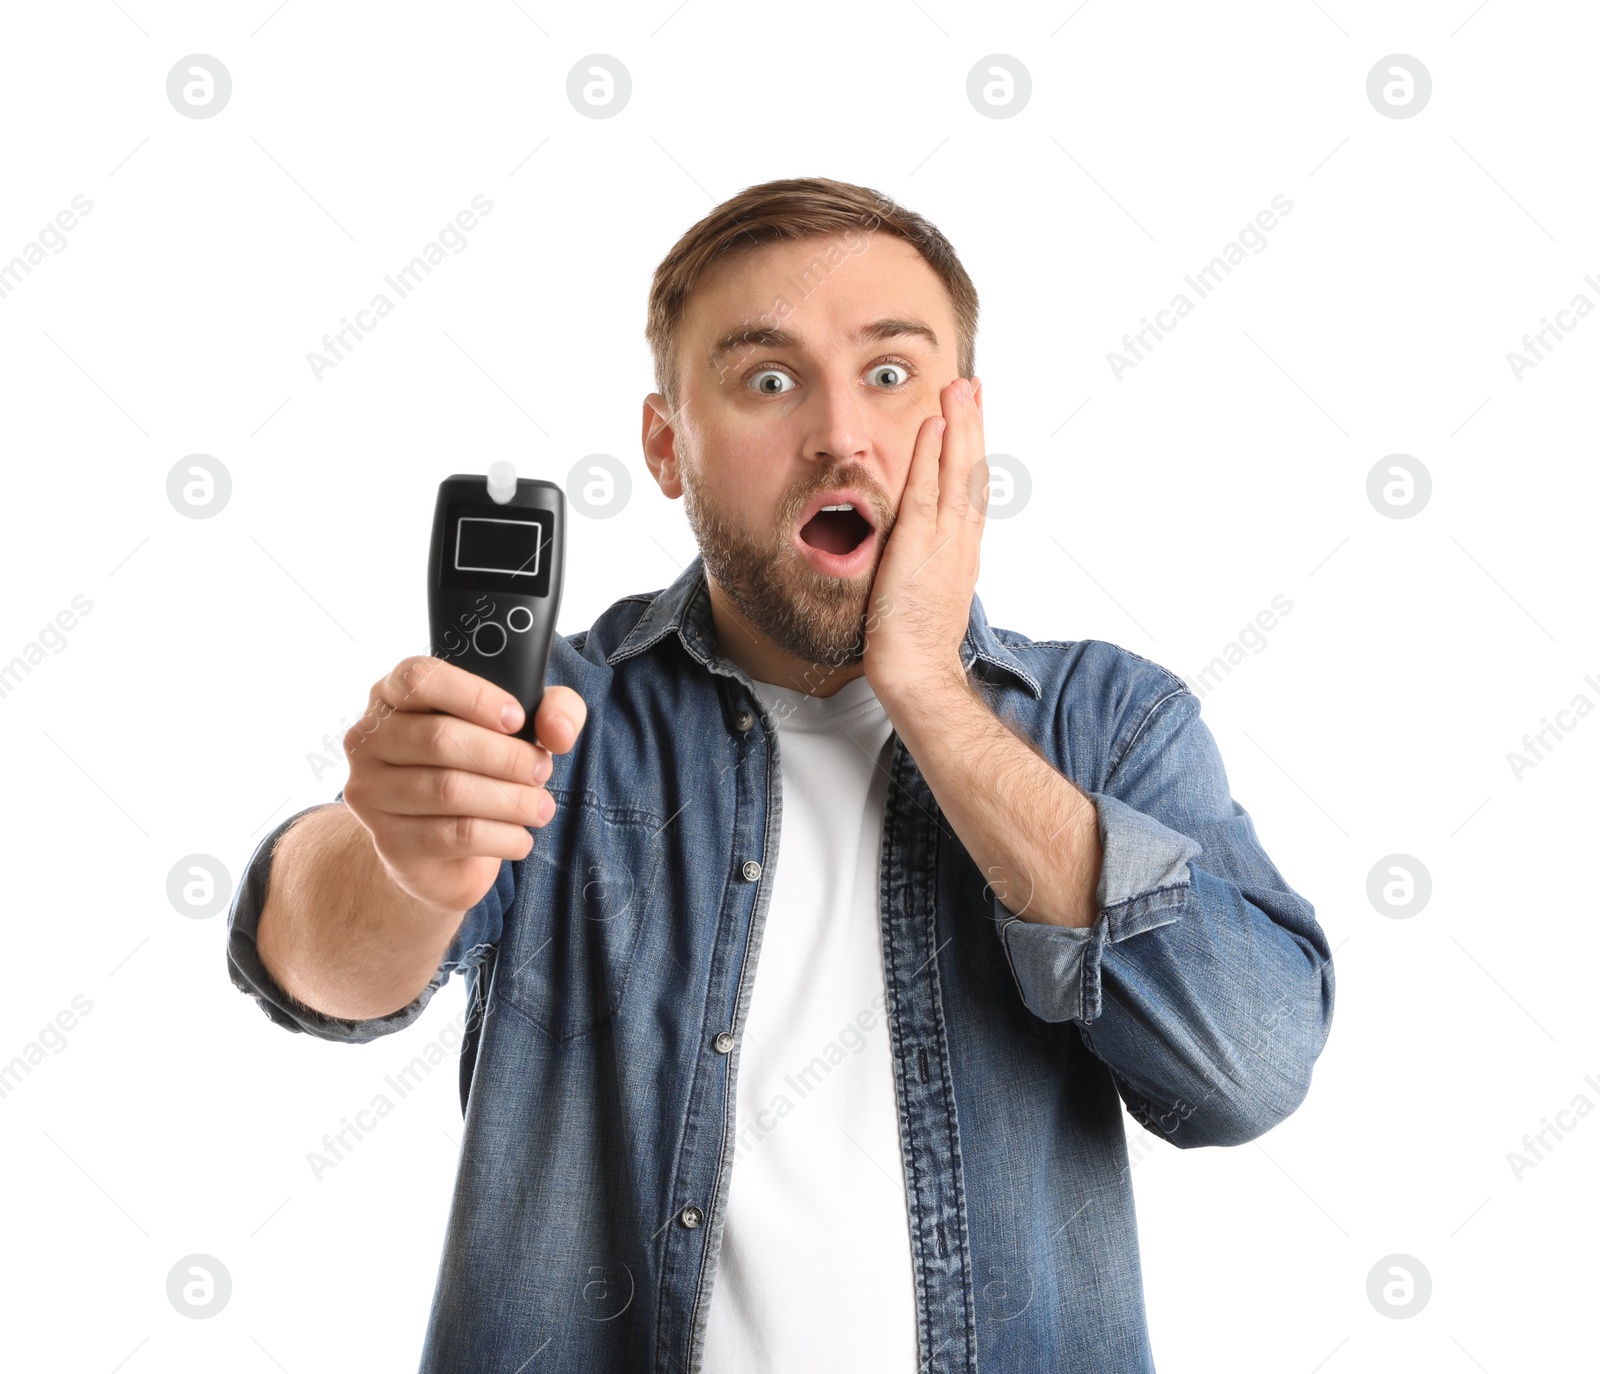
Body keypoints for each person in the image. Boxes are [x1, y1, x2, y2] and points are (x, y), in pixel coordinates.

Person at [226, 176, 1335, 1374]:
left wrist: (928, 690)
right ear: (667, 445)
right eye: (765, 379)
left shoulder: (1109, 721)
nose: (838, 435)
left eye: (891, 375)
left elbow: (1242, 1073)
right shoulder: (547, 717)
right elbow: (323, 973)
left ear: (963, 429)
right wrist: (395, 854)